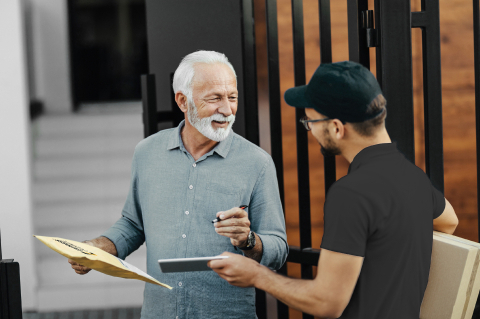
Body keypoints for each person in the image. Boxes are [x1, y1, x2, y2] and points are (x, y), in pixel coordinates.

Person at [209, 61, 459, 318]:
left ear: (337, 128)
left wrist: (256, 275)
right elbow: (449, 222)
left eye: (310, 121)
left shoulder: (351, 193)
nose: (310, 130)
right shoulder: (414, 177)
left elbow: (327, 302)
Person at [68, 50, 288, 319]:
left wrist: (249, 240)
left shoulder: (258, 163)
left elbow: (278, 250)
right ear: (183, 101)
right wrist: (100, 247)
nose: (227, 109)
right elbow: (134, 224)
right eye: (215, 99)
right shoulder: (147, 152)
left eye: (232, 97)